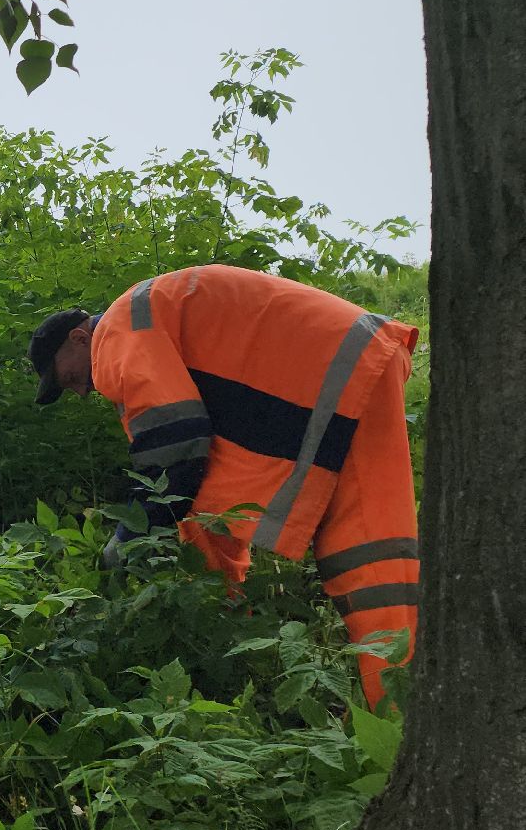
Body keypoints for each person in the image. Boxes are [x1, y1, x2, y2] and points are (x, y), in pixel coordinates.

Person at [29, 264, 419, 709]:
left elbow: (174, 441)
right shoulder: (146, 318)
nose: (81, 392)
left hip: (350, 372)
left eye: (71, 378)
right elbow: (194, 480)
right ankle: (236, 634)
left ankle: (401, 713)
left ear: (81, 339)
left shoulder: (118, 330)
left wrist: (130, 534)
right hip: (334, 372)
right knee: (204, 506)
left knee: (368, 554)